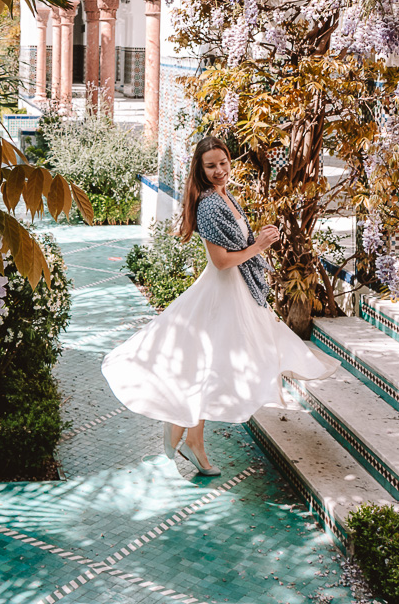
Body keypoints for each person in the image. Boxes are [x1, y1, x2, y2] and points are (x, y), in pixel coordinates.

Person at [101, 135, 337, 476]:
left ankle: (185, 429)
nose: (219, 171)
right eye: (210, 166)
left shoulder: (227, 196)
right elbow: (222, 261)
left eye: (223, 163)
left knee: (214, 366)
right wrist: (260, 244)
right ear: (200, 168)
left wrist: (258, 242)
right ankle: (183, 428)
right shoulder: (210, 205)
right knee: (216, 366)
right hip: (223, 293)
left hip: (238, 292)